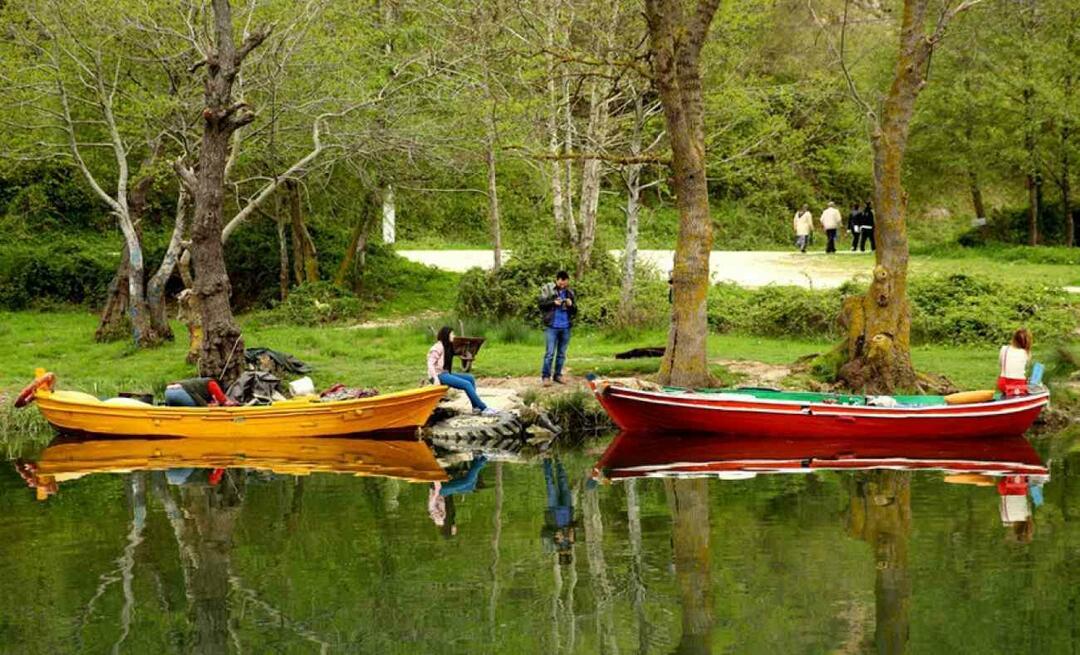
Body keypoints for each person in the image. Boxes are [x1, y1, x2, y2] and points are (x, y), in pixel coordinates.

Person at [428, 326, 498, 415]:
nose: (454, 336)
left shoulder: (448, 346)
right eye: (452, 334)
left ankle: (475, 407)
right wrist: (435, 378)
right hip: (438, 375)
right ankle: (484, 408)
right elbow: (430, 364)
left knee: (470, 378)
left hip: (445, 373)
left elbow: (460, 352)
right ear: (446, 335)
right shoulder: (437, 348)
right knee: (466, 384)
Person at [539, 271, 577, 386]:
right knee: (549, 353)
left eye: (565, 283)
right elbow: (540, 305)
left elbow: (575, 311)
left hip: (566, 327)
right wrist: (553, 303)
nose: (563, 285)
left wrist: (571, 305)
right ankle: (546, 377)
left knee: (561, 354)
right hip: (552, 326)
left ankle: (558, 375)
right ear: (557, 280)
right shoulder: (548, 289)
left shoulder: (570, 292)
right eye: (561, 282)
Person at [541, 457, 577, 565]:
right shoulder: (573, 541)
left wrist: (555, 534)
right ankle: (558, 459)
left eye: (563, 553)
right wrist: (572, 530)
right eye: (567, 553)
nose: (564, 551)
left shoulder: (552, 545)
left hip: (553, 511)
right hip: (567, 509)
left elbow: (543, 532)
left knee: (550, 484)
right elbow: (578, 523)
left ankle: (546, 459)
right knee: (563, 482)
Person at [997, 328, 1032, 396]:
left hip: (1003, 383)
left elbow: (1001, 365)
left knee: (1001, 389)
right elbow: (1025, 368)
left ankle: (1001, 396)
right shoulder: (1027, 353)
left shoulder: (1004, 349)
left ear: (1014, 338)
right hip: (1018, 385)